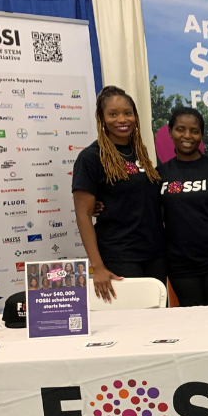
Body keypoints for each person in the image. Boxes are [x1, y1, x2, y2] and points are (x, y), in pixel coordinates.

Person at [72, 85, 164, 302]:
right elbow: (83, 215)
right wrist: (98, 267)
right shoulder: (91, 158)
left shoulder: (140, 152)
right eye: (113, 114)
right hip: (120, 255)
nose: (122, 119)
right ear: (102, 118)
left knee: (160, 321)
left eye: (127, 113)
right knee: (134, 323)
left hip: (155, 254)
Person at [157, 107, 208, 306]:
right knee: (192, 317)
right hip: (180, 264)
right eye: (180, 129)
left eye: (194, 131)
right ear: (170, 132)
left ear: (201, 135)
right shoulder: (160, 174)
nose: (187, 135)